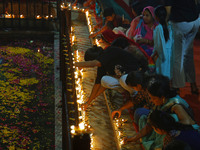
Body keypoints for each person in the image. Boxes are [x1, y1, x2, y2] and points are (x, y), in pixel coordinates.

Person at [124, 74, 199, 150]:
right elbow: (149, 123)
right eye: (150, 98)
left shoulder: (175, 104)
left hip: (182, 132)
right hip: (166, 128)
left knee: (169, 119)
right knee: (142, 116)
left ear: (162, 97)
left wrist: (165, 125)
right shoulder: (160, 103)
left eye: (153, 98)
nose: (152, 101)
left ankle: (158, 144)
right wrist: (134, 137)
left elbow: (187, 122)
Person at [75, 45, 148, 110]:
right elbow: (97, 84)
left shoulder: (109, 51)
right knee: (104, 80)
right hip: (125, 80)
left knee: (123, 80)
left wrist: (75, 64)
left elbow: (95, 63)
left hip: (135, 75)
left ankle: (135, 95)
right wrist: (89, 101)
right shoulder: (101, 66)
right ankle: (130, 92)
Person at [164, 0, 200, 94]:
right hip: (194, 22)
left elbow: (168, 11)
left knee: (178, 56)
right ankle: (193, 85)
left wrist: (165, 23)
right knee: (188, 54)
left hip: (180, 24)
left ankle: (177, 86)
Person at [151, 6, 172, 79]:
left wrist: (153, 55)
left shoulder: (158, 28)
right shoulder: (170, 26)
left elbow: (158, 45)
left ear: (156, 17)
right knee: (169, 73)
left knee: (162, 75)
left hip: (162, 55)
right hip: (170, 53)